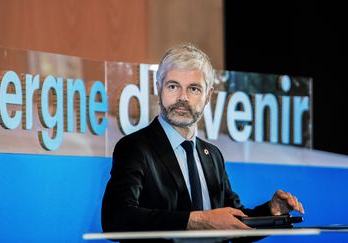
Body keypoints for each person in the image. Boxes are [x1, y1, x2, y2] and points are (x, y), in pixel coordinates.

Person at [101, 43, 304, 236]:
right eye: (173, 86)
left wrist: (271, 210)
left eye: (194, 89)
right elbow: (117, 217)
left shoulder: (213, 155)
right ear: (158, 87)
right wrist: (200, 220)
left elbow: (232, 221)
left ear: (208, 96)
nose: (183, 97)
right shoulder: (135, 148)